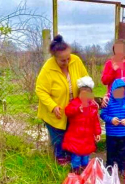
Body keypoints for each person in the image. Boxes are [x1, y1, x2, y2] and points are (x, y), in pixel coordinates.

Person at [36, 35, 88, 165]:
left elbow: (85, 80)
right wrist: (53, 106)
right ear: (55, 57)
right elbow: (40, 90)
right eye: (63, 60)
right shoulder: (48, 68)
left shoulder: (76, 61)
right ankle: (60, 160)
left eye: (68, 58)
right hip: (55, 112)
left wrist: (86, 96)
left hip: (74, 109)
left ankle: (72, 159)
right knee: (59, 138)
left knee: (72, 135)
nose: (67, 61)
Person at [62, 77, 101, 174]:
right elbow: (68, 111)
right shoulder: (75, 103)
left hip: (87, 137)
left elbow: (95, 121)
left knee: (85, 157)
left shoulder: (92, 106)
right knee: (76, 157)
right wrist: (77, 109)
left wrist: (97, 133)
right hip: (76, 136)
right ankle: (75, 171)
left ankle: (84, 171)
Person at [100, 79, 125, 175]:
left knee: (122, 151)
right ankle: (109, 165)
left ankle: (122, 167)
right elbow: (103, 115)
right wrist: (111, 120)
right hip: (111, 132)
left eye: (122, 91)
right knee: (111, 150)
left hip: (124, 133)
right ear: (113, 90)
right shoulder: (108, 101)